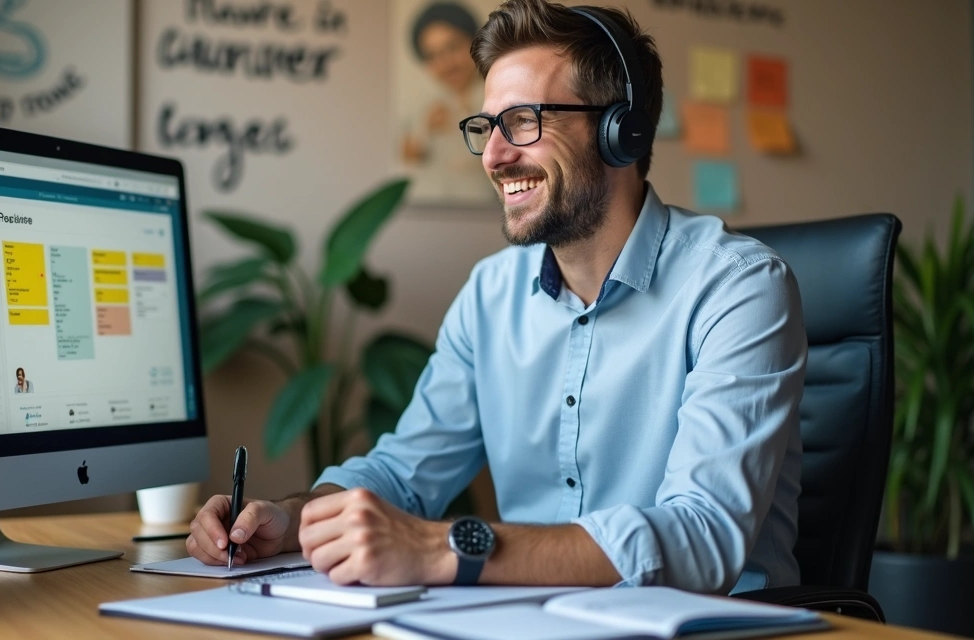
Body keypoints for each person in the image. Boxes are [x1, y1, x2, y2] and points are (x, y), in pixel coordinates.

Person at [188, 0, 805, 595]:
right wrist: (294, 519)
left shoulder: (738, 287)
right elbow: (406, 472)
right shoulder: (490, 294)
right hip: (531, 619)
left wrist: (443, 548)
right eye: (485, 127)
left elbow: (702, 536)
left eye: (523, 123)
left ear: (621, 131)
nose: (494, 155)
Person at [399, 1, 495, 204]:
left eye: (452, 47)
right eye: (432, 56)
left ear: (474, 41)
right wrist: (425, 129)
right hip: (440, 209)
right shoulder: (425, 104)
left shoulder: (497, 94)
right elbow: (408, 158)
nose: (446, 63)